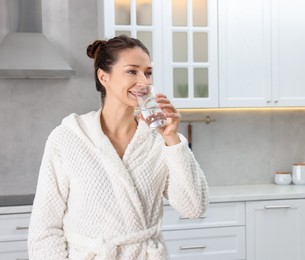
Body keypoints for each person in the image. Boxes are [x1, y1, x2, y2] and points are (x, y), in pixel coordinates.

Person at [28, 35, 209, 259]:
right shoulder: (67, 138)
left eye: (148, 72)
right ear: (104, 77)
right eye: (132, 71)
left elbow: (194, 208)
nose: (144, 82)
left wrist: (172, 139)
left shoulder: (157, 140)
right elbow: (44, 229)